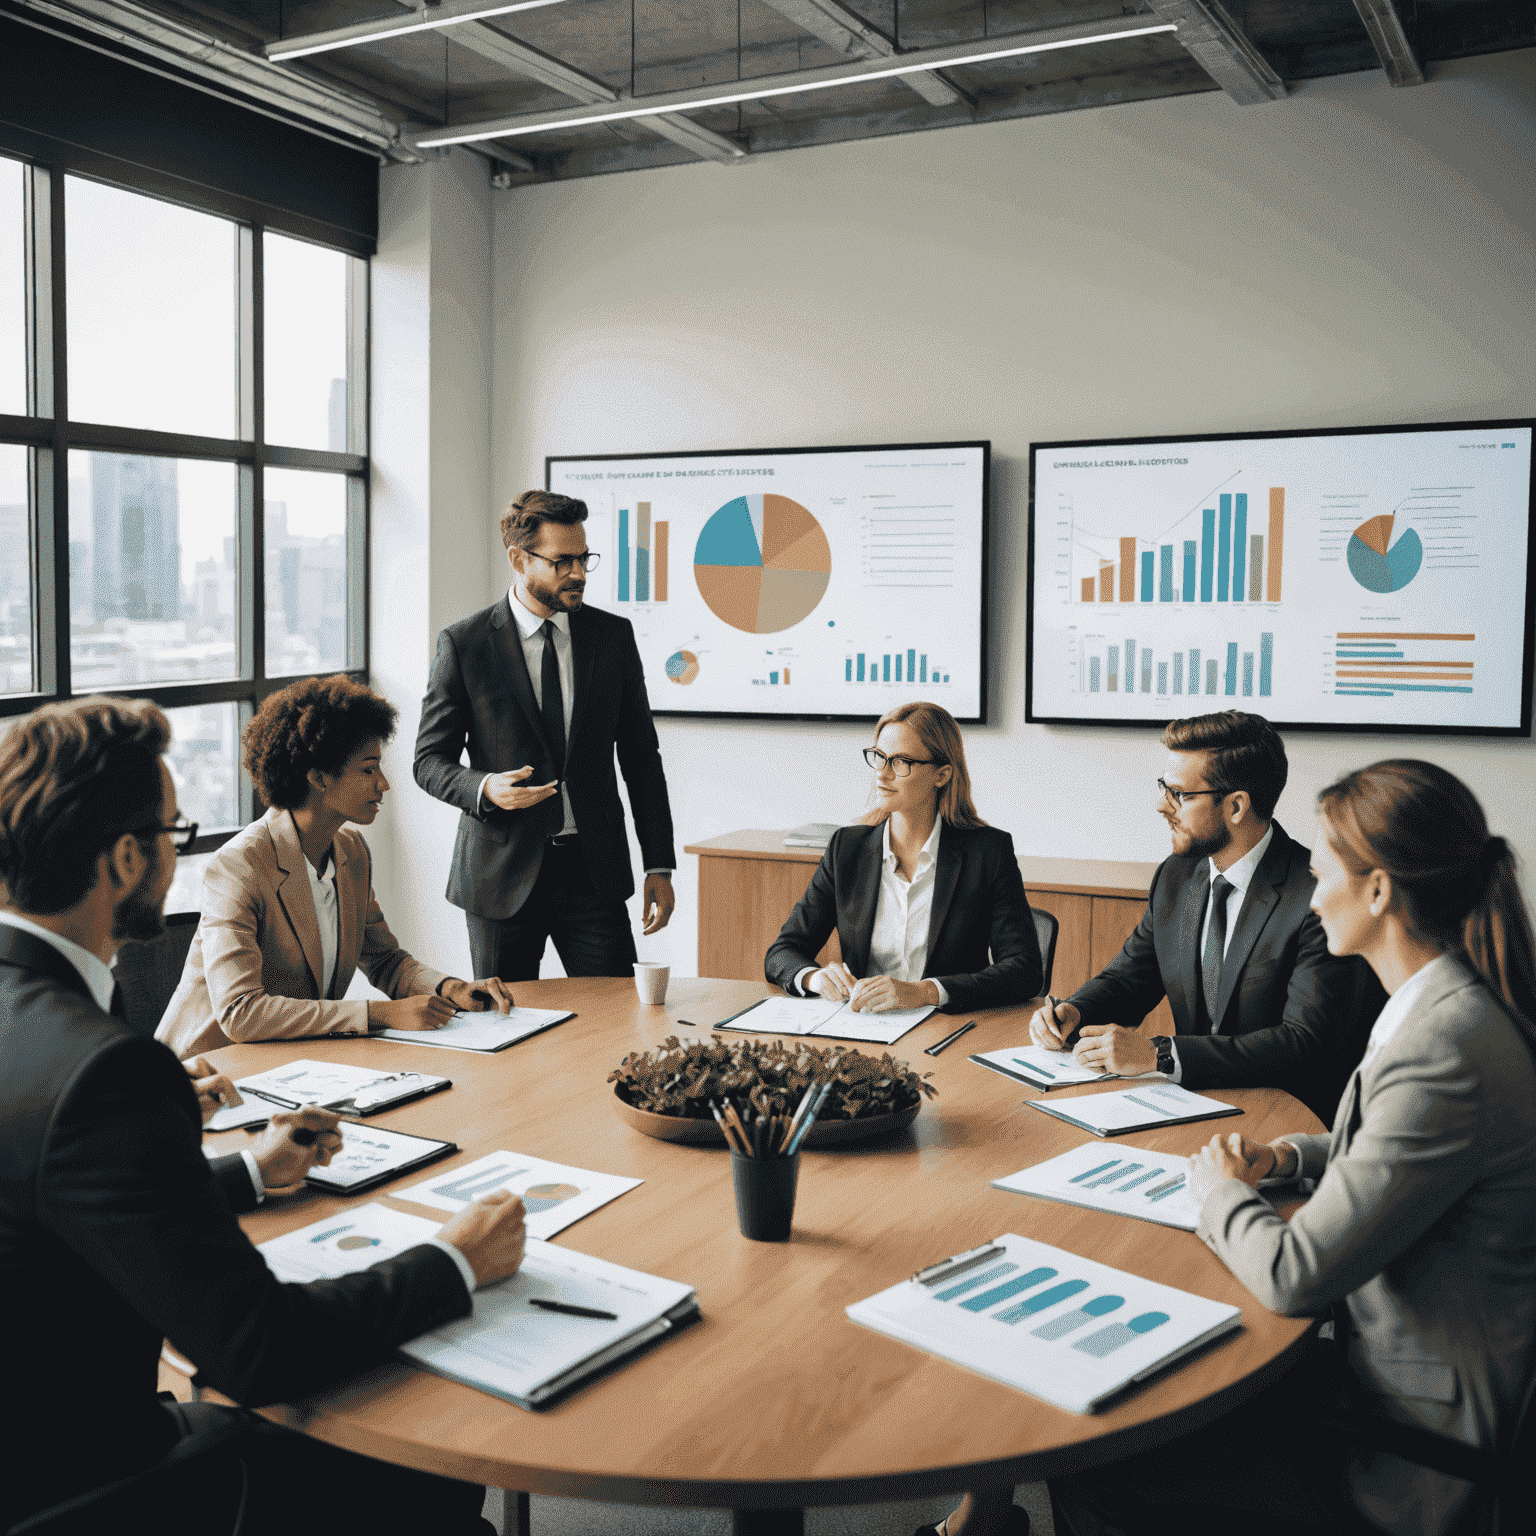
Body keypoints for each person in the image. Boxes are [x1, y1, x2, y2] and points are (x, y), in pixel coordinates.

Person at [0, 695, 528, 1534]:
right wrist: (453, 1261)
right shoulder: (110, 1074)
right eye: (174, 834)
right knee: (431, 1473)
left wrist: (248, 1170)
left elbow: (65, 1192)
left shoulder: (34, 1029)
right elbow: (260, 1347)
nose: (181, 852)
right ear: (128, 857)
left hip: (27, 1446)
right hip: (91, 1486)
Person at [1049, 759, 1536, 1536]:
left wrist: (1222, 1194)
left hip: (1407, 1442)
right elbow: (1382, 1144)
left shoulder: (1444, 1047)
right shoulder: (1442, 1005)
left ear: (1377, 891)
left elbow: (1293, 1274)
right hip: (1385, 1376)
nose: (1308, 889)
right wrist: (1288, 1160)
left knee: (1094, 1454)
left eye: (1320, 867)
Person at [1028, 710, 1383, 1122]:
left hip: (1285, 1120)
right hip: (1188, 1106)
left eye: (1180, 794)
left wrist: (1159, 1054)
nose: (1162, 806)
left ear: (1235, 806)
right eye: (1164, 787)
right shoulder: (1176, 876)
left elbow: (1301, 1044)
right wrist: (1074, 1011)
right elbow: (1130, 979)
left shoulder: (1318, 897)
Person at [157, 675, 515, 1059]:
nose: (383, 784)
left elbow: (385, 960)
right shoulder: (239, 866)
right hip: (209, 1072)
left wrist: (448, 988)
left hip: (292, 1063)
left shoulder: (350, 851)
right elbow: (240, 1013)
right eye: (368, 769)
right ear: (318, 779)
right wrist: (379, 1014)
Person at [414, 489, 677, 982]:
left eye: (583, 559)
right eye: (562, 561)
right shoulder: (465, 644)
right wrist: (485, 788)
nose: (578, 573)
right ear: (519, 558)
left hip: (593, 873)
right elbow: (429, 761)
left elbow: (642, 757)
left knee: (618, 1024)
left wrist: (658, 864)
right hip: (500, 877)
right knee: (505, 1030)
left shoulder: (612, 637)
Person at [765, 702, 1042, 1014]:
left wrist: (925, 992)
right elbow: (782, 952)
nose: (883, 775)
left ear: (942, 775)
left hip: (946, 1030)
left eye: (901, 763)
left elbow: (1025, 971)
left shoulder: (987, 852)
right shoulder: (847, 849)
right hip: (863, 1027)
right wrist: (815, 978)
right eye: (880, 758)